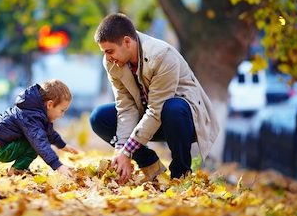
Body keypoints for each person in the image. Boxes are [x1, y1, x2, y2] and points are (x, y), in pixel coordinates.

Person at [89, 13, 220, 184]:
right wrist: (121, 150)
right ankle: (152, 167)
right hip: (147, 116)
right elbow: (126, 107)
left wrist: (127, 152)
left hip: (179, 120)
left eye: (110, 51)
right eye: (104, 52)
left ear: (127, 42)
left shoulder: (163, 56)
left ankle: (180, 176)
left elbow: (156, 110)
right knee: (100, 117)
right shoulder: (112, 63)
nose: (107, 57)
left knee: (173, 108)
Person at [0, 79, 79, 177]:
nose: (62, 115)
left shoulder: (37, 113)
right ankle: (17, 170)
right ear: (49, 104)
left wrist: (63, 145)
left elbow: (50, 133)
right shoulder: (31, 117)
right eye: (62, 110)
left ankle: (20, 167)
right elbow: (40, 142)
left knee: (35, 139)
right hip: (2, 149)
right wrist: (58, 166)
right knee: (35, 143)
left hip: (4, 145)